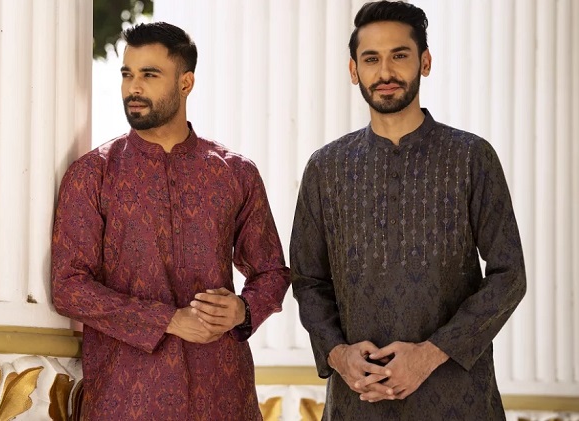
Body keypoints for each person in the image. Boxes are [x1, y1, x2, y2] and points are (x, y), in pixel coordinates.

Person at [290, 1, 527, 419]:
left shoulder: (471, 157)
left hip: (458, 401)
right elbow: (307, 280)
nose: (385, 72)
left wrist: (431, 353)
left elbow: (509, 275)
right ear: (353, 70)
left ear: (425, 62)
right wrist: (338, 354)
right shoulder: (326, 168)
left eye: (399, 55)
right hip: (358, 402)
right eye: (371, 59)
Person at [51, 22, 290, 420]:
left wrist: (242, 310)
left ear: (185, 82)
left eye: (149, 74)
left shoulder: (234, 173)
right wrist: (169, 321)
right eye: (127, 74)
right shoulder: (94, 174)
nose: (134, 88)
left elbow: (272, 272)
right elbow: (69, 287)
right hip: (126, 398)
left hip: (222, 394)